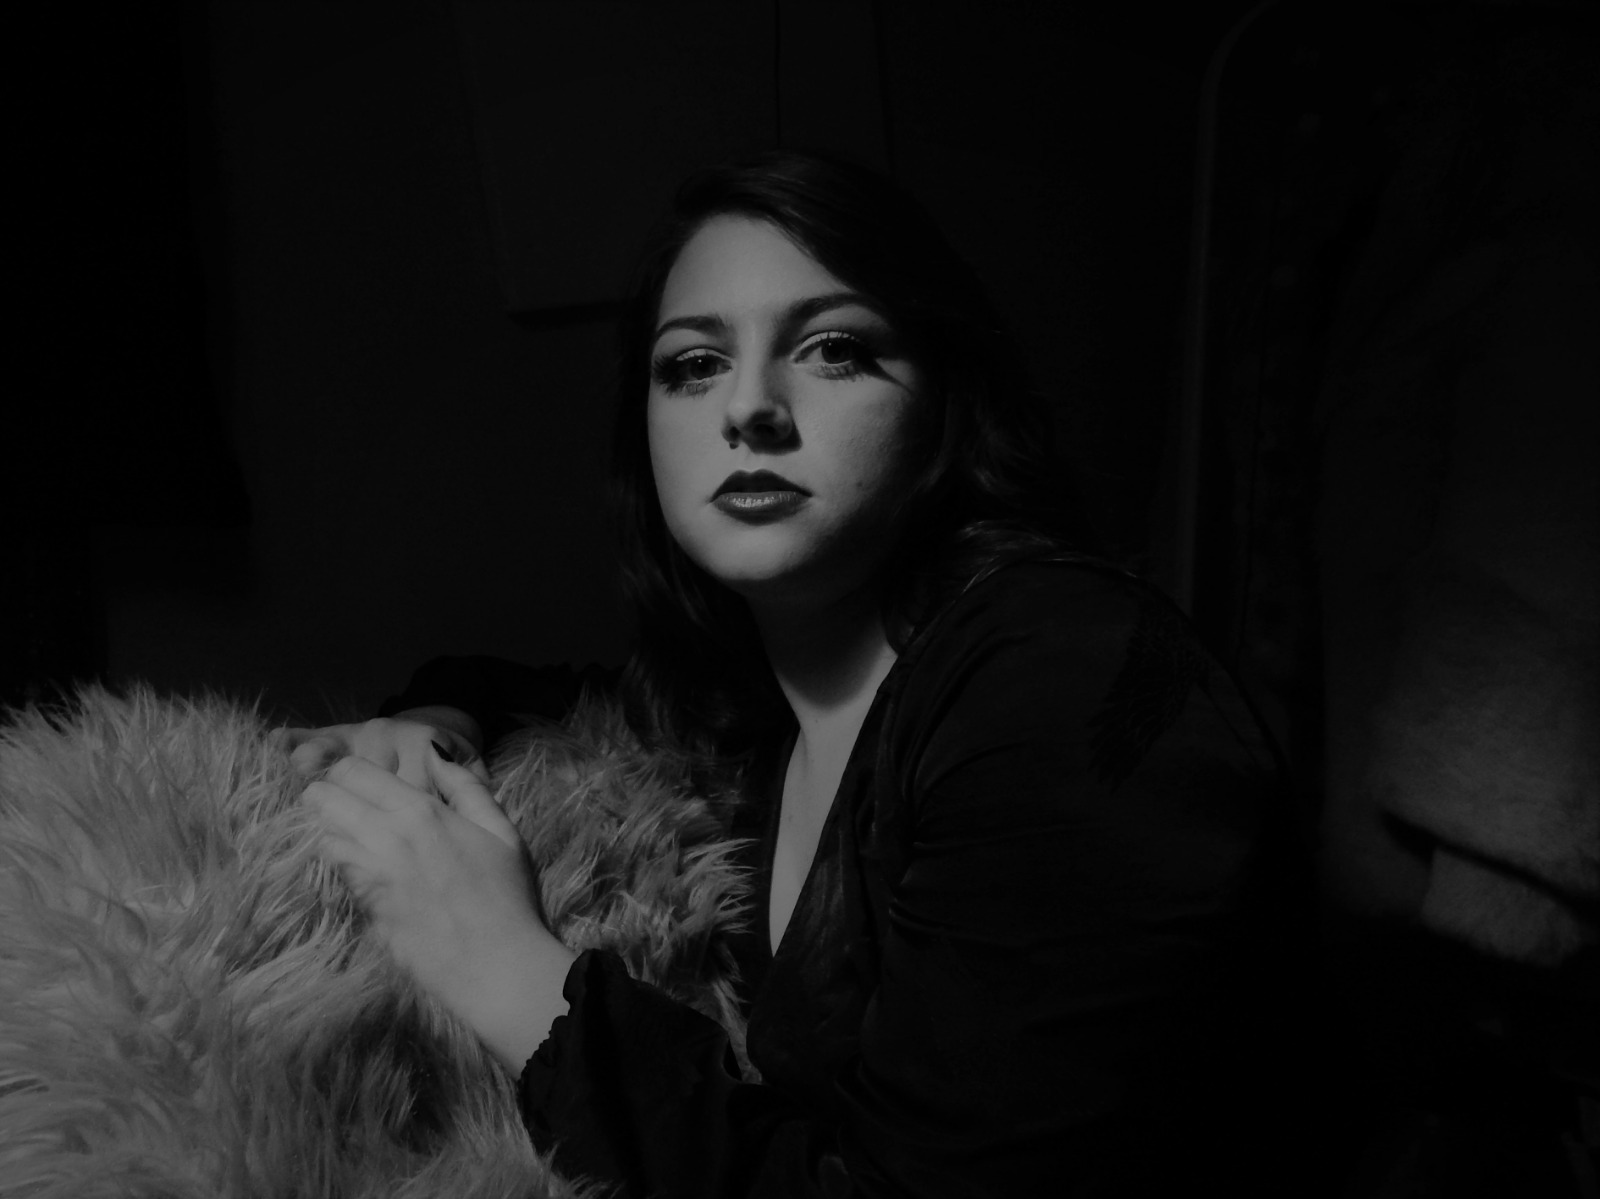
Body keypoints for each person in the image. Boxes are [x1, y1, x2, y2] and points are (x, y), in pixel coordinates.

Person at [285, 150, 1334, 1196]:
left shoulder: (1063, 675)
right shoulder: (753, 707)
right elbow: (546, 690)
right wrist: (436, 719)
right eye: (693, 364)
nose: (748, 406)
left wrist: (501, 963)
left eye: (834, 349)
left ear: (946, 403)